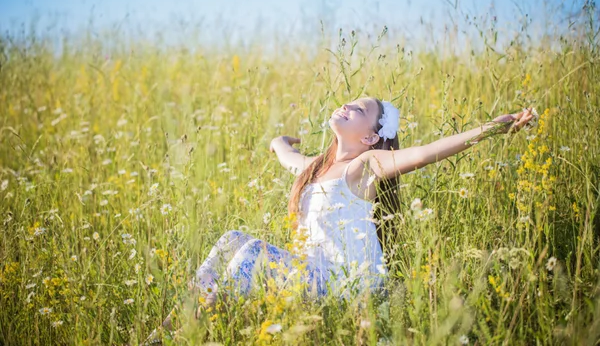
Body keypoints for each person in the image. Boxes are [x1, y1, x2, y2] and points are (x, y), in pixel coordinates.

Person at [141, 96, 536, 344]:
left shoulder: (366, 165)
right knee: (231, 238)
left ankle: (188, 334)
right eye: (351, 102)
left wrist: (491, 129)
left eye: (361, 110)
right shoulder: (318, 168)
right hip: (314, 270)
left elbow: (427, 151)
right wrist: (278, 142)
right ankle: (166, 334)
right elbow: (287, 160)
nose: (348, 106)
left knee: (252, 255)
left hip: (349, 280)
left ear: (369, 137)